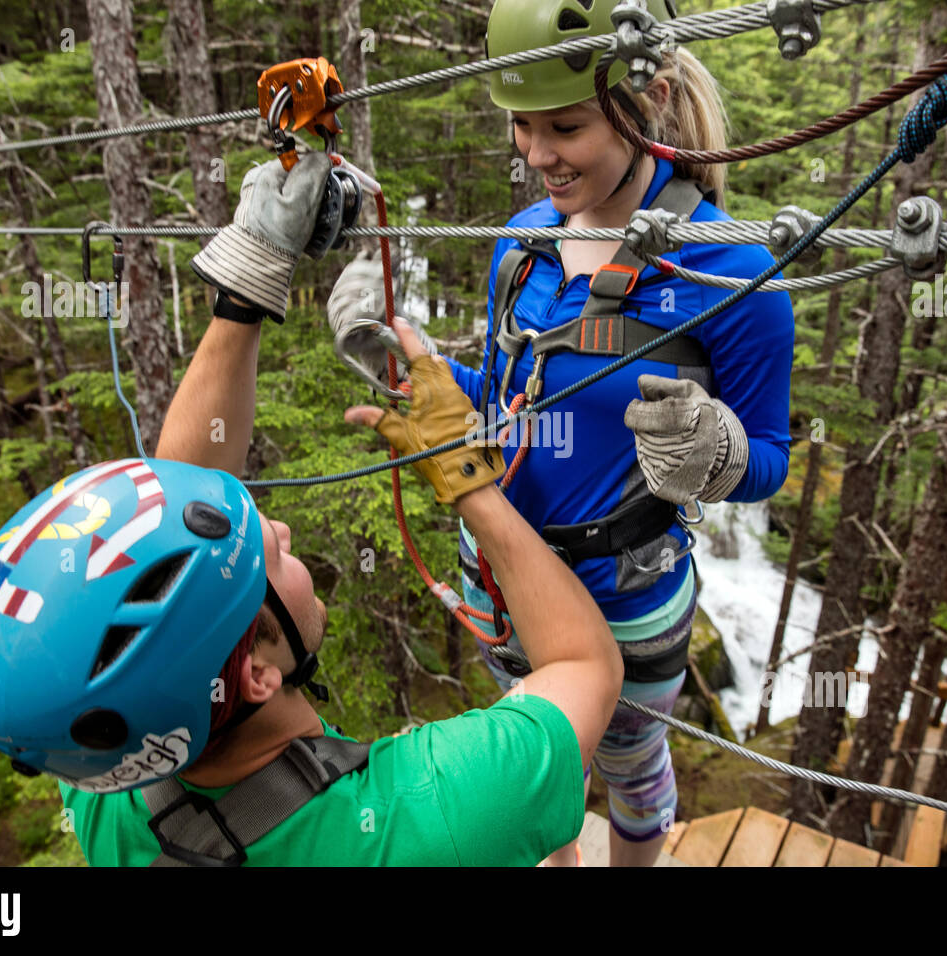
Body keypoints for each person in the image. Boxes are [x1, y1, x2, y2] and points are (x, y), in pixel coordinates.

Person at [0, 153, 624, 866]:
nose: (282, 528)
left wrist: (250, 283)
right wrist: (465, 474)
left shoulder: (105, 761)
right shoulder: (427, 817)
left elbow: (176, 498)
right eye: (268, 558)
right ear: (258, 677)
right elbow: (585, 665)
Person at [327, 0, 794, 866]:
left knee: (632, 766)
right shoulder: (524, 242)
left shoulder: (733, 270)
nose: (538, 155)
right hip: (505, 577)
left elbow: (769, 458)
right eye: (522, 125)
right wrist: (413, 363)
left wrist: (718, 456)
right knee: (540, 767)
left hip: (627, 595)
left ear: (646, 96)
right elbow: (511, 402)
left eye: (566, 126)